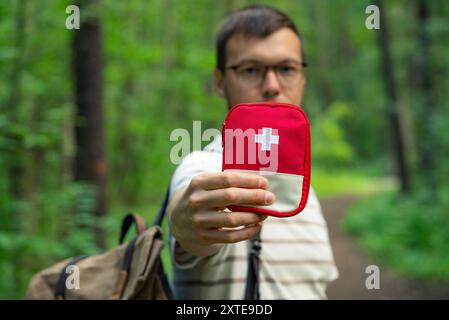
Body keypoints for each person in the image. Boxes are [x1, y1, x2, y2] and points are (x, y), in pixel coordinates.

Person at [167, 5, 339, 299]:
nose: (272, 86)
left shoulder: (304, 189)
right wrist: (186, 224)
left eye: (286, 69)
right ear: (220, 83)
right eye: (250, 70)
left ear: (303, 78)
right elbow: (192, 221)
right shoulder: (203, 165)